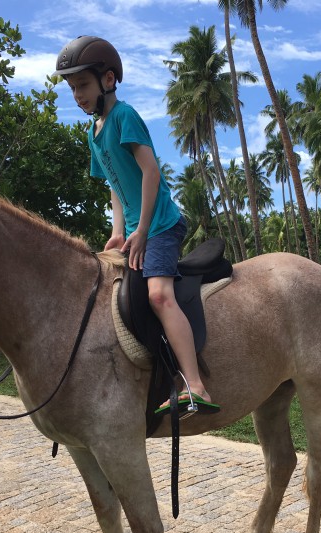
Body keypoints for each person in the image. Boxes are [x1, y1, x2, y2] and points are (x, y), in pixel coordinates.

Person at [53, 36, 219, 417]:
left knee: (159, 295)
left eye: (83, 85)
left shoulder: (124, 116)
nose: (77, 94)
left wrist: (142, 229)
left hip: (160, 224)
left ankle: (195, 385)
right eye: (72, 88)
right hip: (134, 228)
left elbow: (151, 172)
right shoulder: (94, 132)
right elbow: (115, 184)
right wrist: (118, 229)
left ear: (108, 80)